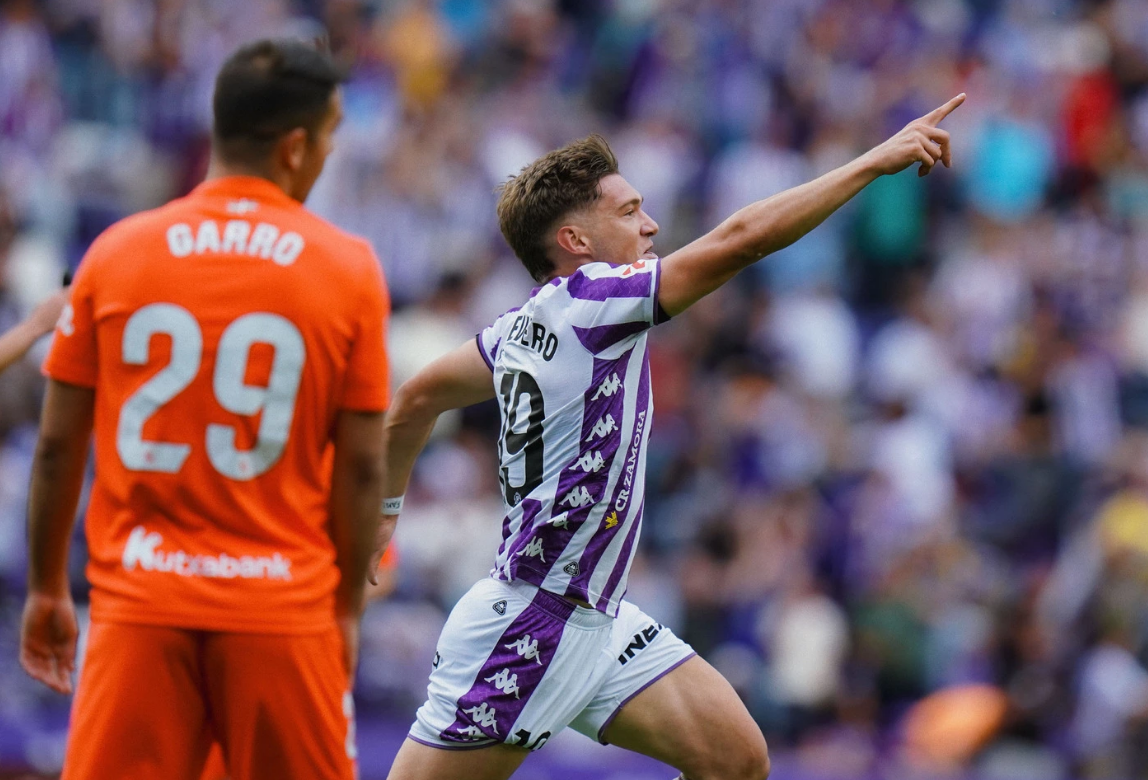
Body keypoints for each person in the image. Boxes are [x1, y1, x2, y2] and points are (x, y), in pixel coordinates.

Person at [375, 93, 966, 780]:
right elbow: (742, 239)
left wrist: (381, 518)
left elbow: (412, 401)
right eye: (629, 213)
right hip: (530, 623)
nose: (652, 225)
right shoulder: (596, 300)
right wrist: (872, 162)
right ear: (575, 242)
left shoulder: (519, 328)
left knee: (736, 759)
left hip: (597, 619)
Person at [19, 38, 390, 780]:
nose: (328, 156)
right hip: (282, 612)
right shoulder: (348, 269)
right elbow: (359, 469)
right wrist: (345, 609)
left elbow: (58, 447)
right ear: (294, 147)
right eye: (330, 137)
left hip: (139, 608)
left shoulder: (115, 254)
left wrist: (45, 587)